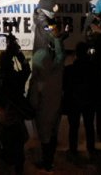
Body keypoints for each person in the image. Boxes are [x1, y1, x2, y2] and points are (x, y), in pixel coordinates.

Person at [28, 26, 65, 170]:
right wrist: (56, 39)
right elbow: (61, 55)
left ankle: (47, 163)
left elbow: (33, 102)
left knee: (45, 139)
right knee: (54, 135)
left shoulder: (37, 82)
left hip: (43, 114)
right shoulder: (57, 71)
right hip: (57, 110)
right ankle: (51, 159)